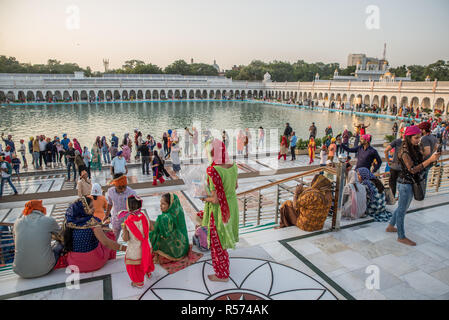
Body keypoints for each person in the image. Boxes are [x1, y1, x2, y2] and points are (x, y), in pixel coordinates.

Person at [386, 125, 441, 246]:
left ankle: (390, 226)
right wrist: (430, 160)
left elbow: (420, 162)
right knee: (402, 210)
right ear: (409, 137)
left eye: (419, 137)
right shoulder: (404, 151)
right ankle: (401, 236)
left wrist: (433, 157)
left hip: (410, 183)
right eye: (416, 138)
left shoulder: (414, 147)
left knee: (402, 207)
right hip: (405, 184)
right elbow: (412, 169)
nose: (418, 140)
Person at [199, 138, 239, 282]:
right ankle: (223, 265)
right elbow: (235, 187)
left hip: (220, 210)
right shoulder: (233, 165)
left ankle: (222, 275)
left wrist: (203, 198)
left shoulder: (213, 170)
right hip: (232, 206)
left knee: (218, 241)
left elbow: (215, 199)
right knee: (224, 238)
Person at [56, 196, 126, 273]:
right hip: (94, 263)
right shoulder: (92, 223)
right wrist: (126, 249)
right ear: (84, 209)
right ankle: (111, 260)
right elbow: (106, 243)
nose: (94, 209)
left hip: (74, 264)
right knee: (110, 235)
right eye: (91, 207)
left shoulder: (70, 222)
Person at [12, 200, 62, 278]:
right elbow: (62, 236)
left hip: (20, 270)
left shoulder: (17, 223)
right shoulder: (49, 220)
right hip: (44, 269)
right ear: (41, 208)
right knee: (59, 244)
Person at [122, 195, 155, 288]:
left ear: (128, 207)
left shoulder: (128, 222)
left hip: (135, 250)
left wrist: (124, 229)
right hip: (147, 246)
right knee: (147, 258)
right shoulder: (144, 217)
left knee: (134, 267)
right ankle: (148, 272)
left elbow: (125, 239)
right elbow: (151, 228)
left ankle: (138, 282)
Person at [105, 174, 137, 240]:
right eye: (120, 187)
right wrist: (106, 215)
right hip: (116, 219)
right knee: (114, 239)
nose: (122, 189)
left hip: (128, 219)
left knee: (131, 239)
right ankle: (113, 250)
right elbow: (110, 204)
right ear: (115, 185)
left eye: (124, 187)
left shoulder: (131, 192)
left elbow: (136, 207)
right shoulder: (111, 192)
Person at [418, 121, 439, 196]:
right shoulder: (433, 137)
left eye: (420, 129)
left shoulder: (424, 138)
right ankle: (422, 193)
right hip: (430, 161)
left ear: (424, 130)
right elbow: (436, 147)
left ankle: (419, 194)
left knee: (420, 178)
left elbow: (427, 152)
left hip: (424, 162)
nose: (419, 131)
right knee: (424, 178)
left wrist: (418, 152)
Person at [384, 129, 404, 197]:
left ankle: (392, 198)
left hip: (394, 166)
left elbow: (386, 150)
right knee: (401, 184)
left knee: (392, 184)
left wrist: (388, 161)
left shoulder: (397, 141)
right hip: (404, 167)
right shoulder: (410, 142)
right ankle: (400, 198)